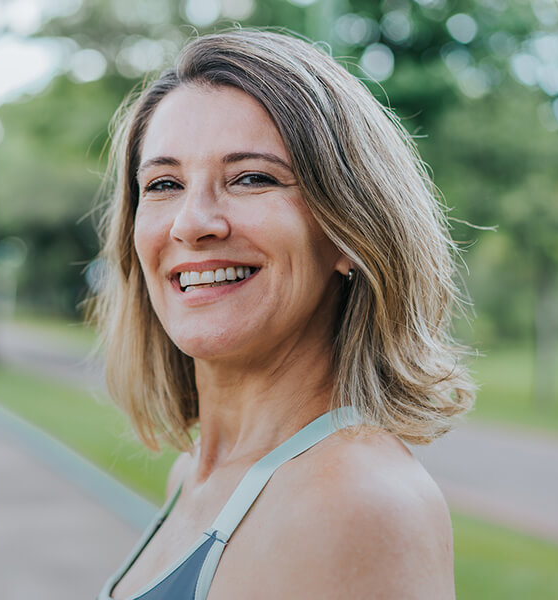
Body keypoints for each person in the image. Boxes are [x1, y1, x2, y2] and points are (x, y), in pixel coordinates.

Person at [93, 29, 474, 600]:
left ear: (349, 231)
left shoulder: (356, 502)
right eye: (164, 183)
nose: (193, 222)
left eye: (251, 177)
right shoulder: (193, 474)